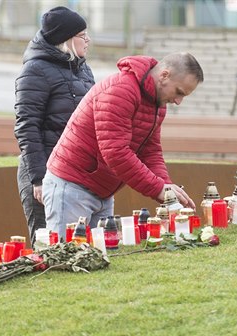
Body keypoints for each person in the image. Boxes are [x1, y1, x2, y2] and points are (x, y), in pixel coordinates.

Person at [42, 52, 204, 239]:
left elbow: (150, 151)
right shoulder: (120, 90)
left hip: (102, 191)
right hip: (72, 187)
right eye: (179, 92)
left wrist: (167, 189)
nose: (178, 101)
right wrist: (158, 188)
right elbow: (116, 154)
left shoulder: (157, 103)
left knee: (101, 261)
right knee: (66, 258)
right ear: (164, 75)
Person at [14, 6, 95, 244]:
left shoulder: (82, 69)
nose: (88, 40)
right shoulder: (35, 70)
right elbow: (27, 127)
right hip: (46, 172)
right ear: (66, 39)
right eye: (82, 35)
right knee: (47, 246)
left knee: (79, 244)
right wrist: (38, 179)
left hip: (76, 170)